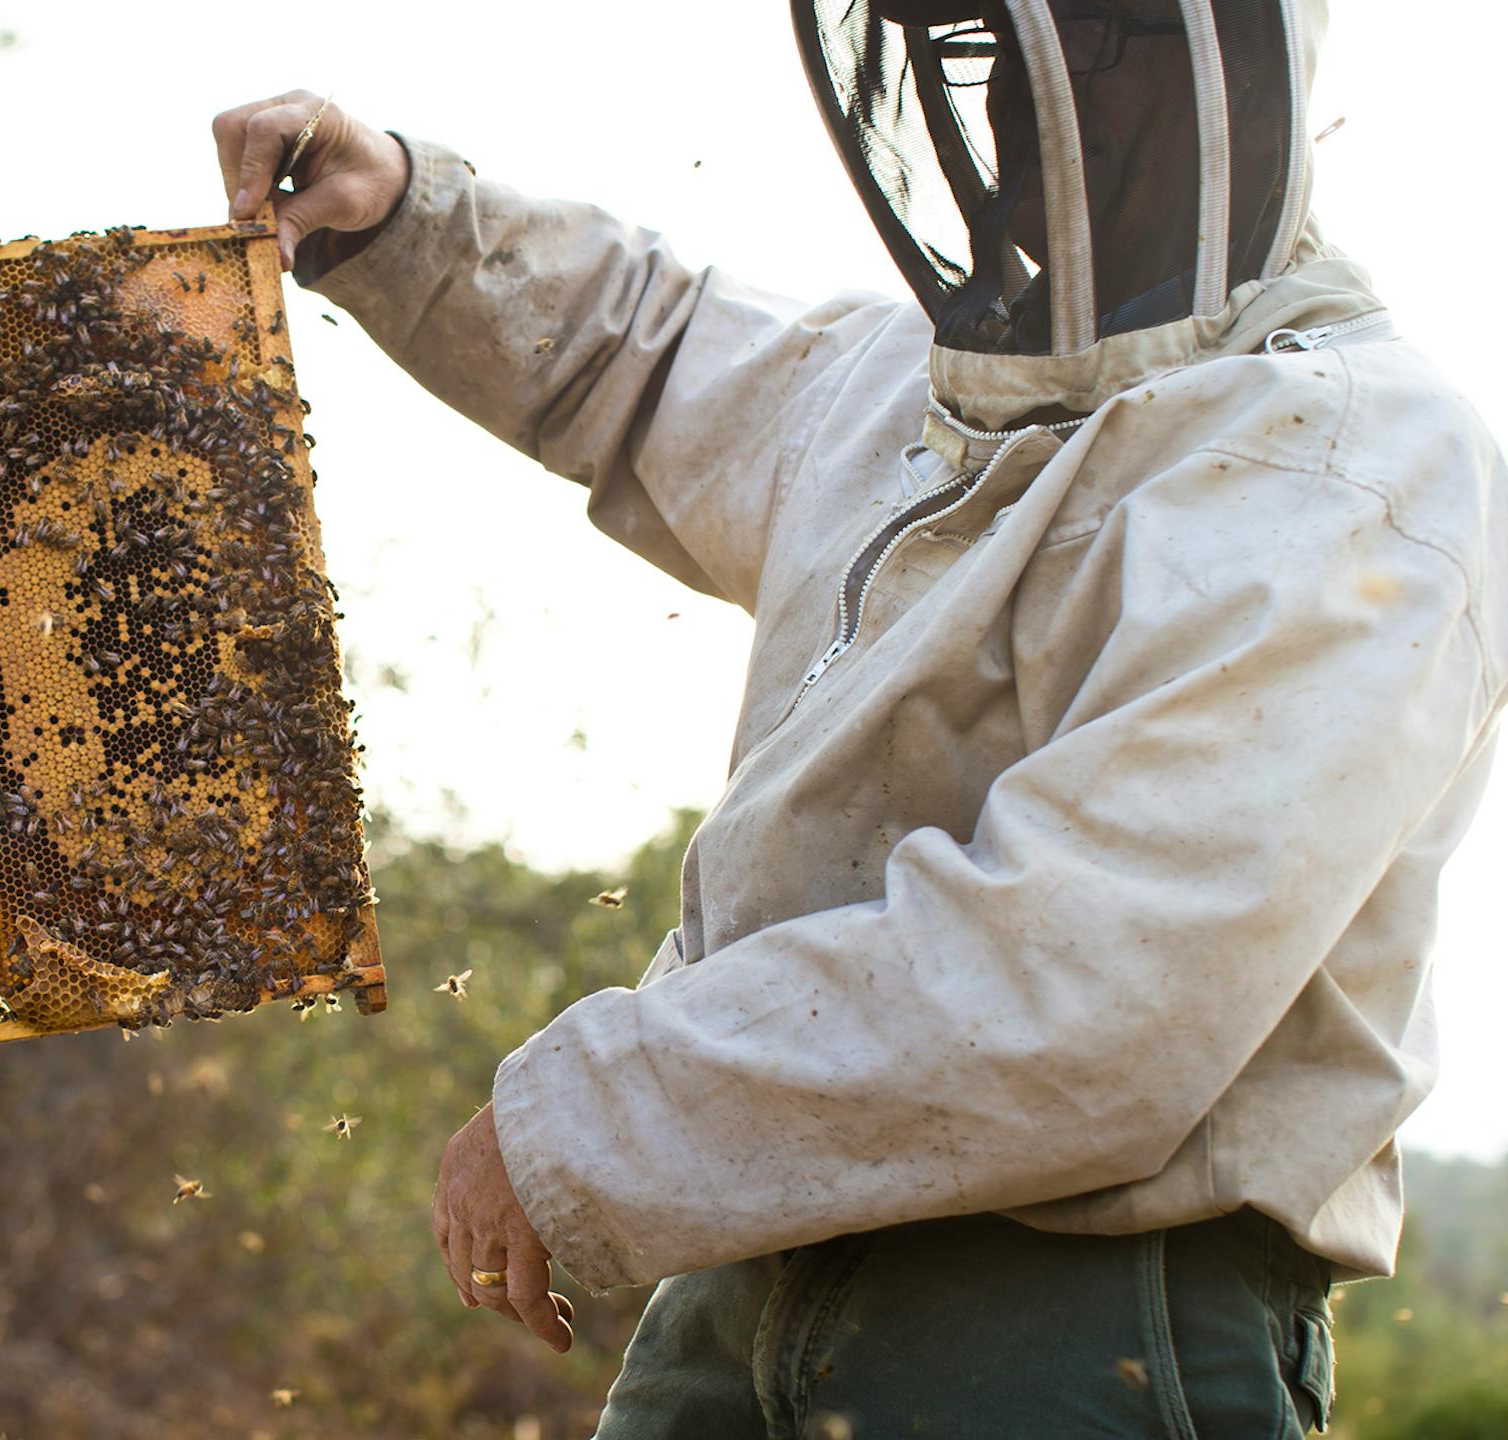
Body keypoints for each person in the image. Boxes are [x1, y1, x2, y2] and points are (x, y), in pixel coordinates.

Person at [213, 0, 1508, 1433]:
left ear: (1247, 75)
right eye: (990, 56)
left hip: (1080, 1320)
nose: (1030, 100)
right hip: (743, 1270)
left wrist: (596, 1117)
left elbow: (1089, 988)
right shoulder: (908, 386)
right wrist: (403, 221)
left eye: (1109, 37)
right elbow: (650, 356)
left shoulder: (1347, 456)